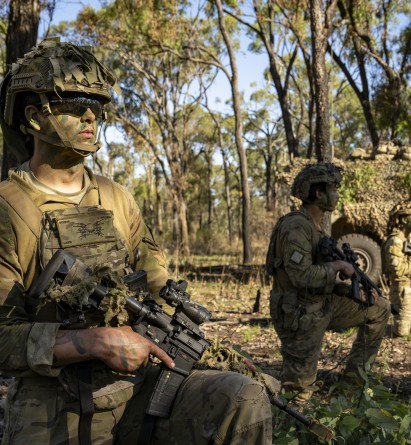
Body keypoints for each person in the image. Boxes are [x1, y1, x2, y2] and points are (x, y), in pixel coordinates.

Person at [0, 38, 273, 445]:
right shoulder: (9, 207)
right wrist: (89, 342)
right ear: (36, 116)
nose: (91, 116)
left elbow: (156, 283)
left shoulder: (117, 198)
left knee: (243, 397)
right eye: (75, 104)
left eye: (98, 106)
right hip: (53, 407)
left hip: (136, 388)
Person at [266, 162, 391, 406]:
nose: (337, 192)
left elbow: (320, 278)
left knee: (379, 309)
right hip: (299, 313)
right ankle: (290, 428)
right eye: (334, 187)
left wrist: (350, 292)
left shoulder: (317, 229)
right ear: (317, 192)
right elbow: (300, 277)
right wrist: (337, 268)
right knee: (298, 393)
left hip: (320, 303)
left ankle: (349, 392)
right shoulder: (296, 226)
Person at [382, 202, 411, 337]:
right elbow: (397, 270)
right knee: (401, 333)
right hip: (401, 290)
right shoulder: (395, 241)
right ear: (404, 219)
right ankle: (376, 326)